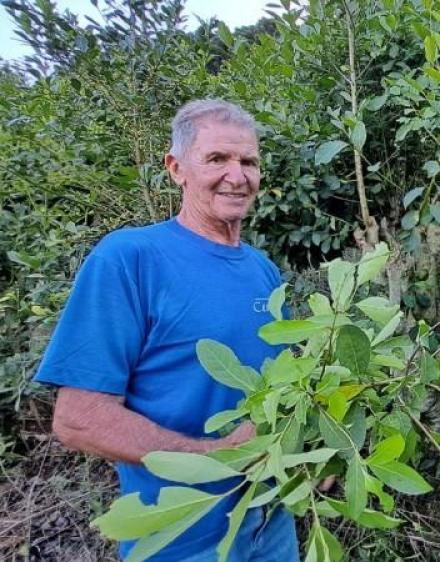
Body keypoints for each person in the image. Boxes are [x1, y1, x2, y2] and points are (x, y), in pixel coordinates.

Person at [34, 99, 298, 561]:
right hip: (180, 537)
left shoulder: (263, 270)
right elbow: (79, 418)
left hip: (271, 525)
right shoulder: (130, 259)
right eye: (217, 159)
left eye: (249, 162)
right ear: (176, 168)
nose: (237, 176)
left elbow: (289, 382)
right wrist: (216, 457)